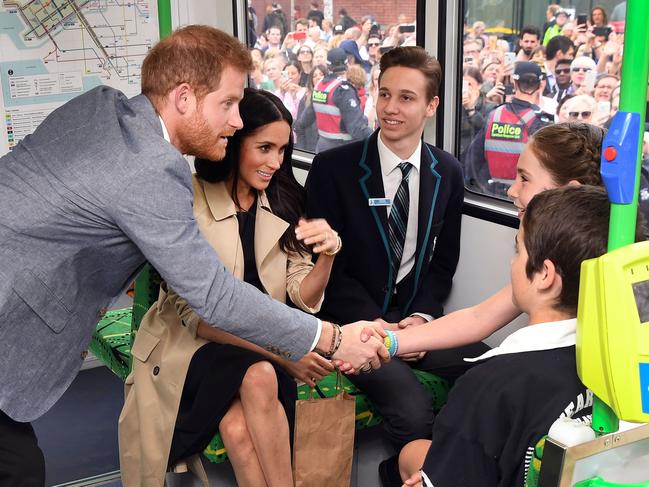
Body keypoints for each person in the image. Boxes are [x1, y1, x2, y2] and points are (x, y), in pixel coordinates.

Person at [0, 26, 388, 485]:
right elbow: (215, 297)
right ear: (183, 97)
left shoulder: (104, 109)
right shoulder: (152, 168)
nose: (237, 121)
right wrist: (334, 339)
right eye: (227, 104)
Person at [120, 88, 339, 486]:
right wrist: (286, 353)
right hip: (193, 347)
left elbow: (301, 298)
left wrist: (329, 254)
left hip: (261, 345)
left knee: (238, 430)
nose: (276, 163)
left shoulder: (284, 200)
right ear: (236, 143)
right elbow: (199, 318)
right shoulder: (188, 196)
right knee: (260, 374)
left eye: (283, 151)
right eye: (265, 148)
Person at [305, 46, 489, 487]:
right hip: (355, 325)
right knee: (411, 408)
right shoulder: (334, 169)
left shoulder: (449, 171)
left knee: (489, 373)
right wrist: (375, 323)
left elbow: (443, 262)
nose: (390, 108)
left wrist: (420, 319)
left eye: (406, 98)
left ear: (431, 106)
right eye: (384, 94)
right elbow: (319, 263)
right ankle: (403, 475)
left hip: (413, 321)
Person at [396, 185, 645, 487]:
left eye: (518, 249)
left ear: (545, 275)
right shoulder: (633, 364)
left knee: (409, 453)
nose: (513, 262)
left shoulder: (488, 387)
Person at [463, 61, 553, 198]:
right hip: (521, 199)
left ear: (514, 83)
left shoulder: (493, 114)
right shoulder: (542, 122)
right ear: (541, 85)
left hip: (488, 196)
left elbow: (471, 162)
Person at [295, 47, 372, 152]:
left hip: (322, 149)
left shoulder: (318, 87)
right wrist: (377, 137)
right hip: (343, 152)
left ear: (328, 66)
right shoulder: (343, 90)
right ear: (347, 64)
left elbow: (302, 123)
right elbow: (356, 129)